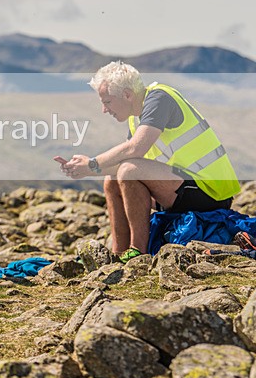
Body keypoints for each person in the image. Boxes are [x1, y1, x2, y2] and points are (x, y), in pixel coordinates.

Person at [60, 61, 240, 262]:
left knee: (129, 171)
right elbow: (123, 162)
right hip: (182, 189)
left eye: (107, 102)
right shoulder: (136, 118)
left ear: (127, 95)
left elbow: (135, 149)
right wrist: (85, 170)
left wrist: (92, 163)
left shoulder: (159, 98)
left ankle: (138, 252)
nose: (104, 109)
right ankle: (118, 254)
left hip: (211, 192)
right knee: (112, 180)